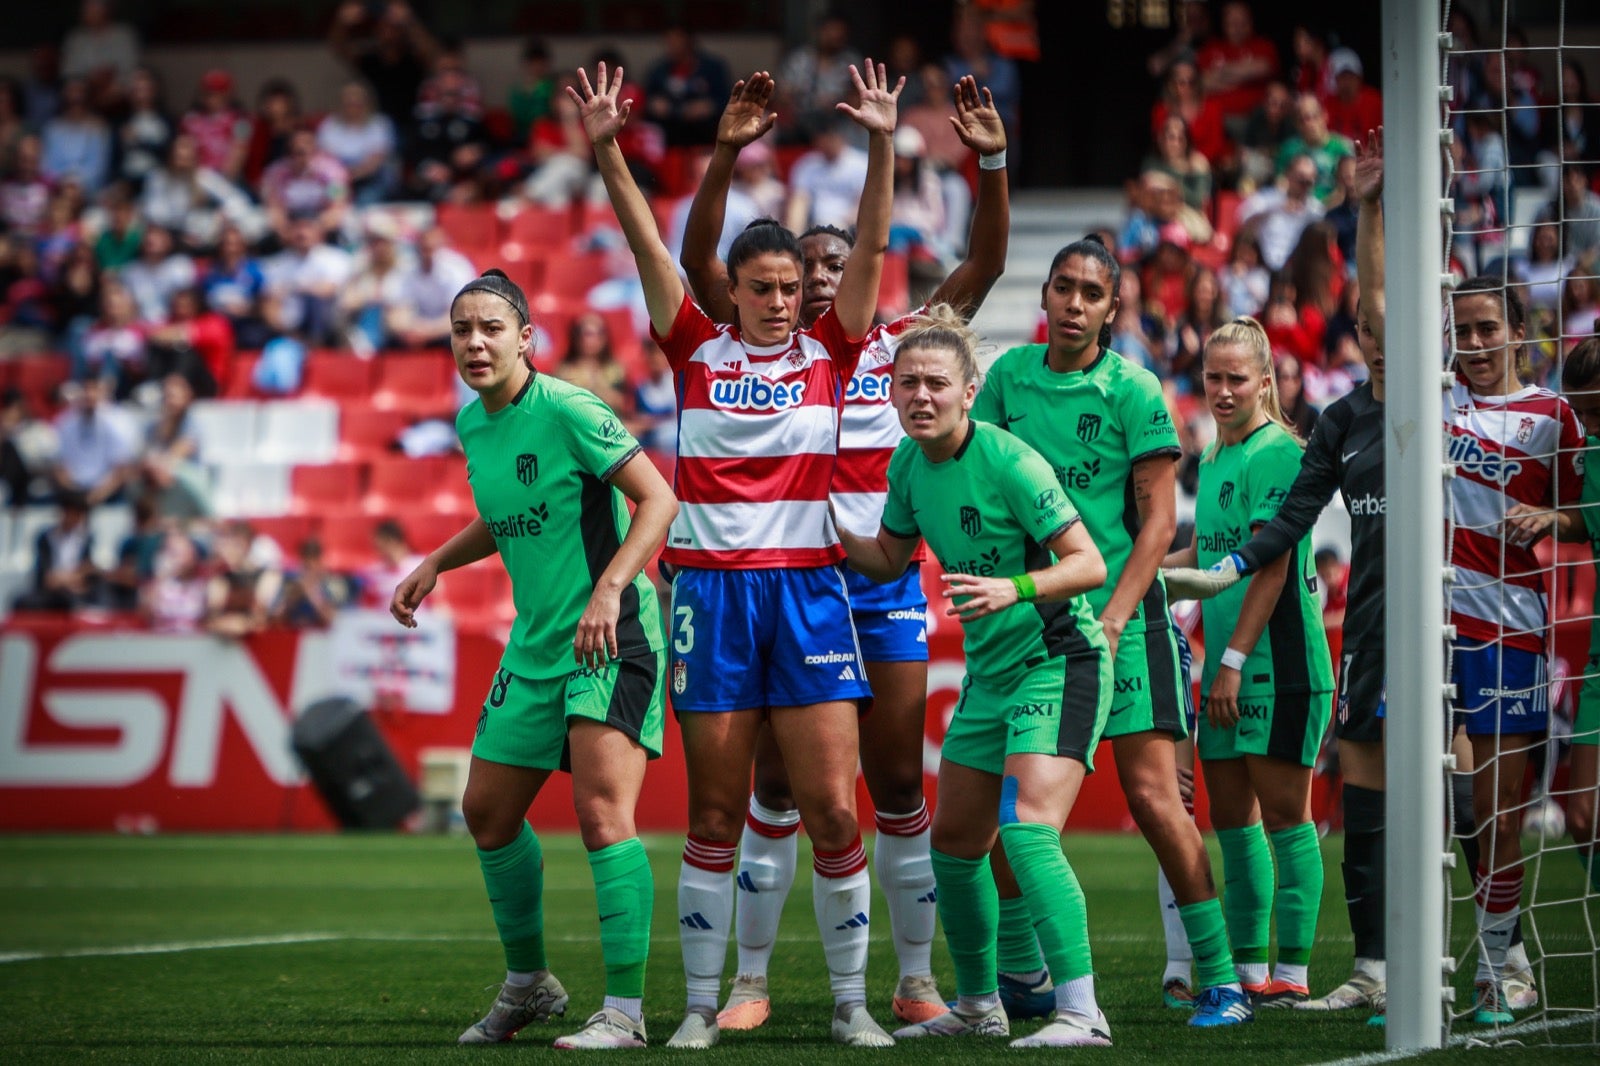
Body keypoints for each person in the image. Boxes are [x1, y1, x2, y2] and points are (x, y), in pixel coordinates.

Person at [572, 58, 898, 1048]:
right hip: (711, 600)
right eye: (761, 288)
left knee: (834, 811)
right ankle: (700, 1009)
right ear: (735, 290)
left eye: (790, 288)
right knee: (714, 816)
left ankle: (850, 1004)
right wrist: (609, 152)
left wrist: (883, 143)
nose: (779, 302)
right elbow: (650, 242)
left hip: (808, 595)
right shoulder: (694, 348)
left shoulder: (834, 351)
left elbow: (873, 244)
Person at [677, 71, 1010, 1032]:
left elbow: (986, 263)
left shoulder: (912, 342)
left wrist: (990, 164)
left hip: (881, 585)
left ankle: (914, 982)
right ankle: (748, 984)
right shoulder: (792, 348)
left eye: (832, 264)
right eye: (807, 266)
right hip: (795, 579)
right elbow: (698, 264)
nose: (820, 278)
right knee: (777, 786)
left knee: (897, 785)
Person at [389, 267, 677, 1049]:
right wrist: (437, 561)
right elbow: (507, 515)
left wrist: (610, 589)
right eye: (462, 330)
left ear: (526, 338)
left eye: (491, 329)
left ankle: (624, 1013)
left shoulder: (570, 408)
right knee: (485, 813)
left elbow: (659, 499)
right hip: (536, 642)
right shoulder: (472, 424)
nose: (475, 343)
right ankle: (529, 985)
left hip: (611, 635)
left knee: (601, 814)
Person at [972, 235, 1251, 1026]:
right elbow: (980, 478)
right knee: (1013, 812)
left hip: (1127, 619)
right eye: (1063, 287)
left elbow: (1160, 522)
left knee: (1156, 800)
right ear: (1045, 294)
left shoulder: (1133, 388)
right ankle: (1024, 974)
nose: (1073, 304)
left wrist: (1120, 612)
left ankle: (1221, 979)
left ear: (1112, 309)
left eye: (1091, 294)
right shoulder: (1006, 379)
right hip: (1038, 629)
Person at [833, 308, 1113, 1047]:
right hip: (990, 677)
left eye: (935, 383)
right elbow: (888, 559)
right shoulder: (905, 466)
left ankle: (1082, 1014)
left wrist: (1012, 589)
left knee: (1026, 832)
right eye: (907, 384)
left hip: (1058, 663)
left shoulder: (1011, 461)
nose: (920, 396)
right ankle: (980, 1007)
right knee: (954, 846)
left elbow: (1089, 564)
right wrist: (819, 528)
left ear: (968, 391)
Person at [1163, 316, 1334, 1008]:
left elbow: (1270, 564)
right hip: (1226, 668)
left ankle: (1292, 975)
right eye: (1214, 377)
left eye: (1238, 378)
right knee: (1234, 826)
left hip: (1278, 665)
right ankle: (1248, 972)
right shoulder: (1210, 457)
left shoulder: (1279, 453)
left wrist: (1231, 660)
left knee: (1288, 820)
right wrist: (1136, 576)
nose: (1224, 390)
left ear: (1266, 381)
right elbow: (1208, 555)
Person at [1562, 337, 1600, 900]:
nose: (1589, 424)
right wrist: (1548, 518)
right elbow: (1578, 520)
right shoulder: (1583, 453)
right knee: (1582, 818)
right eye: (1581, 412)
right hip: (1598, 656)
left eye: (1597, 411)